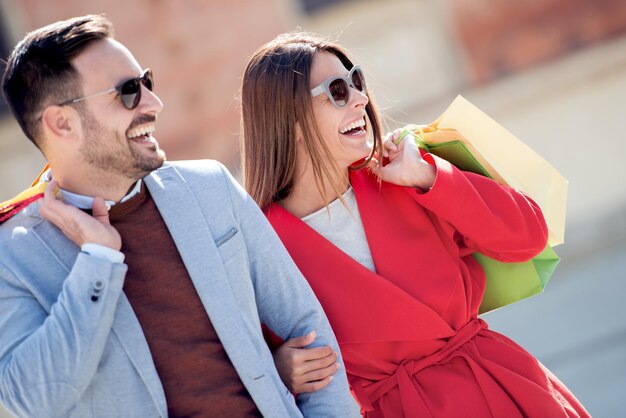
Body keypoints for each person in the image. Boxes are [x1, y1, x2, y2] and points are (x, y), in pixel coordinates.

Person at [0, 16, 356, 417]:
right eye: (128, 92)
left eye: (146, 81)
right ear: (61, 123)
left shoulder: (210, 187)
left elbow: (307, 329)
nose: (154, 103)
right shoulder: (11, 256)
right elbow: (33, 401)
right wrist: (97, 263)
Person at [240, 32, 590, 417]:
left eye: (357, 81)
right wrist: (277, 371)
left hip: (508, 391)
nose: (360, 98)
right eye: (336, 91)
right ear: (288, 119)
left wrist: (429, 179)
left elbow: (528, 237)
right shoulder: (261, 248)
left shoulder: (403, 174)